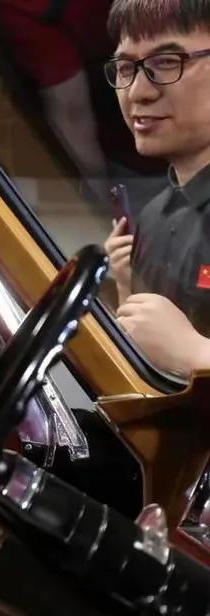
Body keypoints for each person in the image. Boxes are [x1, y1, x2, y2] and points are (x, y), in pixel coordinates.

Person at [103, 0, 210, 374]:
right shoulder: (150, 218)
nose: (137, 92)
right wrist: (126, 289)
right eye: (126, 68)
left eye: (166, 62)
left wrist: (198, 354)